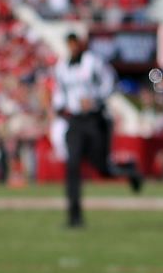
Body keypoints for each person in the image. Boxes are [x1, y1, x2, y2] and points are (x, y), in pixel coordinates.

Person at [51, 32, 141, 228]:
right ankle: (74, 217)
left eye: (75, 44)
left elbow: (110, 82)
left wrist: (95, 99)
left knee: (102, 167)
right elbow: (59, 91)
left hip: (95, 119)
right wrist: (58, 106)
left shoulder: (94, 62)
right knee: (72, 165)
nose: (73, 48)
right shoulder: (62, 67)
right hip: (75, 121)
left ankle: (130, 171)